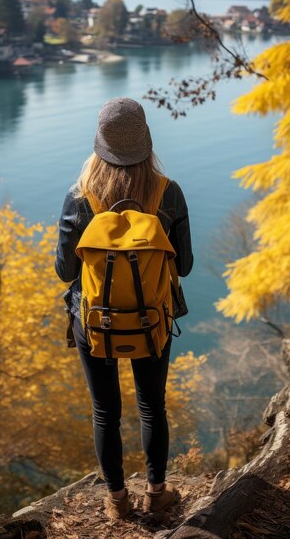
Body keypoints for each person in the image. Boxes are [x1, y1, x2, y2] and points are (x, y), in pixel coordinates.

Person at [55, 96, 193, 519]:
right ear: (146, 142)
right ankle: (156, 494)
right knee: (152, 405)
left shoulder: (80, 198)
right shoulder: (168, 194)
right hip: (152, 318)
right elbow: (184, 265)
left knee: (105, 411)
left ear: (99, 144)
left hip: (93, 321)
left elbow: (64, 271)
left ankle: (117, 502)